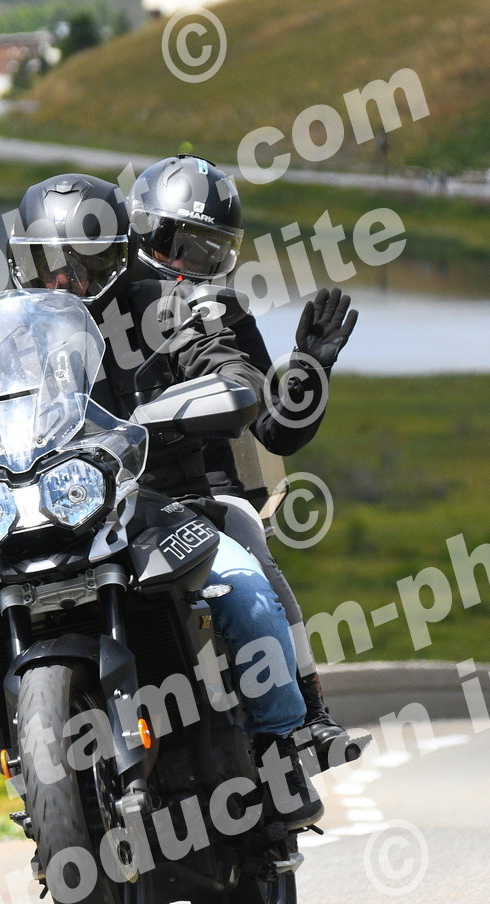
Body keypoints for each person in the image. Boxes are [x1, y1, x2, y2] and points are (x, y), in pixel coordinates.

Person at [0, 172, 322, 826]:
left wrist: (215, 392)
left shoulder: (169, 308)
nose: (63, 282)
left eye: (86, 265)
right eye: (45, 264)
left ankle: (283, 744)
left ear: (121, 258)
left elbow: (229, 368)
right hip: (42, 516)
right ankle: (34, 789)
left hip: (165, 507)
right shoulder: (5, 339)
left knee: (243, 589)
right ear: (17, 261)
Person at [124, 154, 362, 769]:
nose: (189, 267)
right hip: (84, 495)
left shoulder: (216, 315)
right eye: (178, 245)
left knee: (249, 549)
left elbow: (276, 430)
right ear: (141, 231)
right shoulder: (81, 310)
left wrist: (309, 368)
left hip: (195, 492)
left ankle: (307, 712)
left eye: (210, 253)